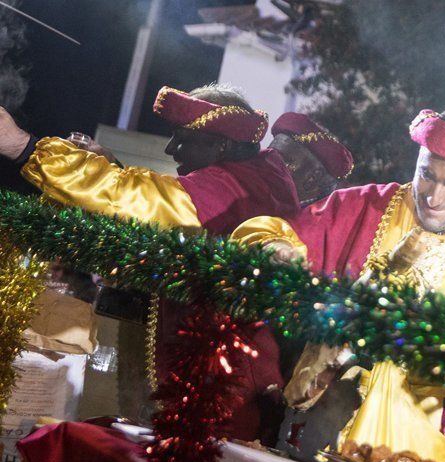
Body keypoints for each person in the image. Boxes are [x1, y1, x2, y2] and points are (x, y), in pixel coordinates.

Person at [232, 105, 445, 462]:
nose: (434, 197)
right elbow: (269, 232)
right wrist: (276, 251)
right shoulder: (368, 206)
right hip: (322, 436)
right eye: (426, 175)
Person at [0, 84, 301, 443]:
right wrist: (113, 168)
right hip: (224, 377)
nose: (170, 149)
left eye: (182, 138)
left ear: (220, 146)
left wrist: (23, 146)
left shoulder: (235, 184)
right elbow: (167, 209)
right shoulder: (259, 175)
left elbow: (133, 199)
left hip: (224, 392)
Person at [270, 112, 354, 206]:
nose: (265, 163)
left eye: (281, 161)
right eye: (268, 155)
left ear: (312, 179)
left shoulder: (310, 220)